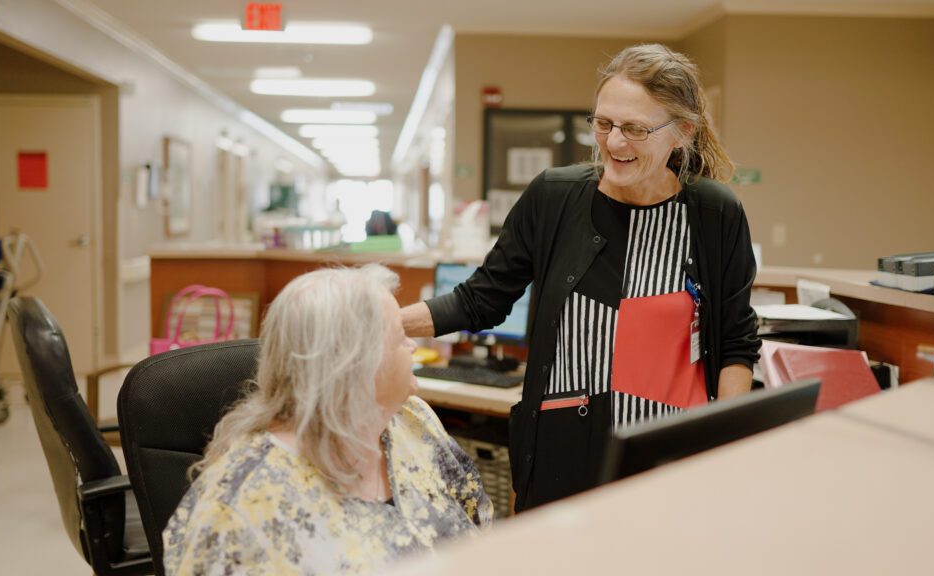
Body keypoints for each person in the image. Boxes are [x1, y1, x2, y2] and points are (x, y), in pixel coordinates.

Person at [402, 43, 760, 511]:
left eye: (634, 128)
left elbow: (736, 342)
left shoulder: (714, 214)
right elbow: (480, 299)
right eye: (603, 123)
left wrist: (724, 442)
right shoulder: (555, 197)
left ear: (683, 132)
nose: (613, 143)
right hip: (559, 455)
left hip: (668, 456)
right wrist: (380, 321)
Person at [164, 265, 493, 576]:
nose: (412, 346)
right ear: (355, 366)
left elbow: (481, 530)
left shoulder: (413, 422)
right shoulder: (245, 501)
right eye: (399, 337)